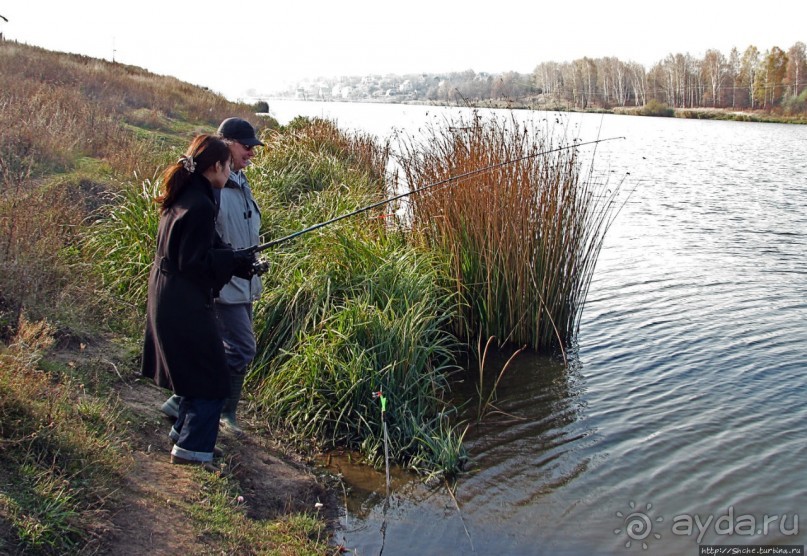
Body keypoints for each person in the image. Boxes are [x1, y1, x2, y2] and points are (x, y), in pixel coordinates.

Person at [142, 134, 259, 468]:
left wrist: (235, 259)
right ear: (216, 166)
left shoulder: (188, 194)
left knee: (198, 371)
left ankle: (184, 433)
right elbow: (194, 264)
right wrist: (231, 262)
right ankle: (193, 451)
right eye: (227, 166)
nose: (230, 172)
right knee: (212, 376)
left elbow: (199, 249)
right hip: (183, 301)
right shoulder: (202, 205)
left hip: (170, 294)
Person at [161, 118, 264, 436]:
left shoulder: (240, 180)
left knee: (230, 347)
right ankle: (203, 407)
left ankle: (190, 405)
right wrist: (228, 262)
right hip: (223, 283)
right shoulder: (213, 188)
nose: (251, 152)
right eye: (246, 146)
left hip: (242, 280)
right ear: (226, 144)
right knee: (242, 348)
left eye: (253, 147)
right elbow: (203, 243)